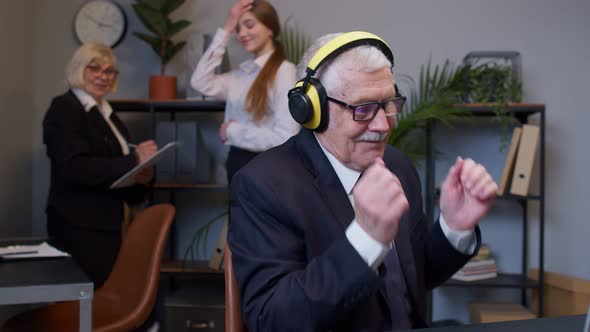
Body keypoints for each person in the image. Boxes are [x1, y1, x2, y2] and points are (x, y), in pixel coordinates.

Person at [227, 31, 499, 331]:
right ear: (311, 109)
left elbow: (412, 278)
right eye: (363, 109)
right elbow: (273, 318)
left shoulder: (396, 165)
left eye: (389, 104)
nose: (383, 125)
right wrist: (366, 240)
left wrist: (454, 228)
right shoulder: (263, 185)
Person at [43, 42, 158, 289]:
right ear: (78, 69)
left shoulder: (108, 114)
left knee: (102, 301)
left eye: (109, 71)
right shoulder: (63, 109)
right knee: (82, 307)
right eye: (94, 68)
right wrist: (133, 160)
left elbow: (116, 175)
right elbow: (73, 167)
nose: (102, 76)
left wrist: (141, 177)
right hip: (77, 226)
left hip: (106, 225)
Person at [190, 0, 300, 184]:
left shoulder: (284, 71)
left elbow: (286, 137)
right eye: (238, 28)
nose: (242, 33)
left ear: (270, 29)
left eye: (249, 25)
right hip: (237, 164)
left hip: (266, 167)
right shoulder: (240, 75)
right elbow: (199, 82)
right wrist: (226, 29)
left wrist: (233, 131)